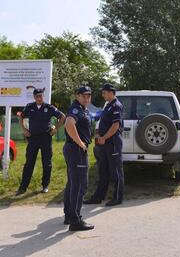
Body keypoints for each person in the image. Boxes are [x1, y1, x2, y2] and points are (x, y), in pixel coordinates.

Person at [16, 88, 65, 196]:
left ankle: (45, 185)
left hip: (45, 137)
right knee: (29, 163)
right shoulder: (30, 107)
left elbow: (62, 117)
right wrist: (24, 130)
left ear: (43, 96)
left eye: (41, 96)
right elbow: (21, 117)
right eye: (37, 96)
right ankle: (23, 187)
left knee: (46, 162)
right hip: (33, 138)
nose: (39, 98)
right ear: (34, 97)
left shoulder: (49, 107)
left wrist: (56, 128)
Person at [84, 83, 124, 207]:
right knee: (103, 170)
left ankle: (117, 197)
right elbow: (99, 117)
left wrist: (104, 137)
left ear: (111, 92)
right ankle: (98, 197)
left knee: (116, 171)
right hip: (105, 143)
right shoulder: (108, 106)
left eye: (104, 92)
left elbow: (115, 125)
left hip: (112, 143)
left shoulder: (116, 106)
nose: (103, 95)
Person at [63, 86, 94, 231]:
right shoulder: (75, 109)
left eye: (89, 96)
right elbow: (69, 124)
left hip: (74, 149)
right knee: (80, 184)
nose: (87, 98)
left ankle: (69, 215)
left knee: (73, 183)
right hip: (76, 150)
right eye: (84, 96)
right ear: (77, 96)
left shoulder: (83, 109)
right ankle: (75, 220)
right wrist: (80, 143)